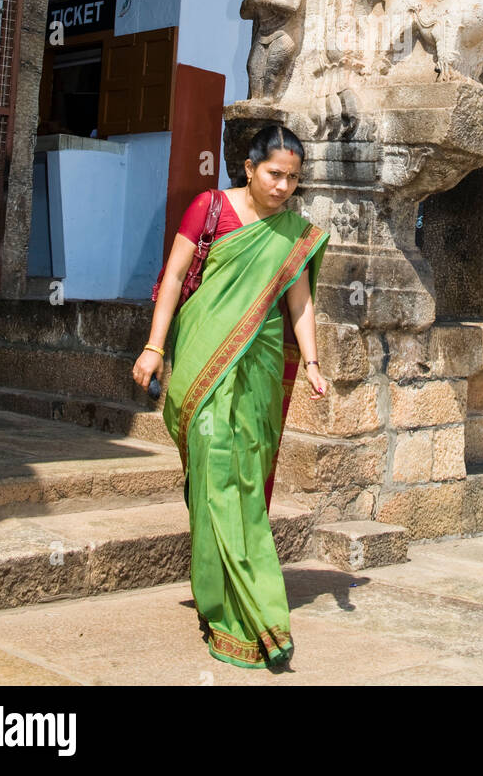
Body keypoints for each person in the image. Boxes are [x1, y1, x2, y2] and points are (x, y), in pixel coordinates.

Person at [132, 124, 329, 669]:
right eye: (275, 174)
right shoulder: (209, 207)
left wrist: (312, 364)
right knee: (212, 468)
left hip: (260, 365)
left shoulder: (294, 232)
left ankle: (246, 601)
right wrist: (154, 347)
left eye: (293, 177)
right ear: (248, 167)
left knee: (241, 478)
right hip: (202, 353)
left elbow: (300, 305)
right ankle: (226, 594)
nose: (284, 186)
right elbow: (172, 278)